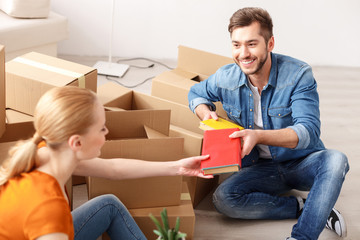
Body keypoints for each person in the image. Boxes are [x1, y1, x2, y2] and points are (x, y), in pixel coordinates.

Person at [188, 7, 349, 240]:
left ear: (270, 43)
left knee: (336, 160)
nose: (243, 54)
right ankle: (307, 208)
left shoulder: (298, 74)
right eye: (236, 44)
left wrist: (258, 136)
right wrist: (205, 113)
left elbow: (308, 131)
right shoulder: (226, 77)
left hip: (301, 161)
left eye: (252, 44)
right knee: (223, 199)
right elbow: (196, 94)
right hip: (259, 168)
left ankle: (301, 236)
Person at [0, 86, 212, 240]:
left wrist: (178, 167)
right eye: (101, 128)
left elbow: (113, 168)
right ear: (77, 142)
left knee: (109, 204)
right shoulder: (47, 210)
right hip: (48, 229)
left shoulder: (48, 152)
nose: (107, 132)